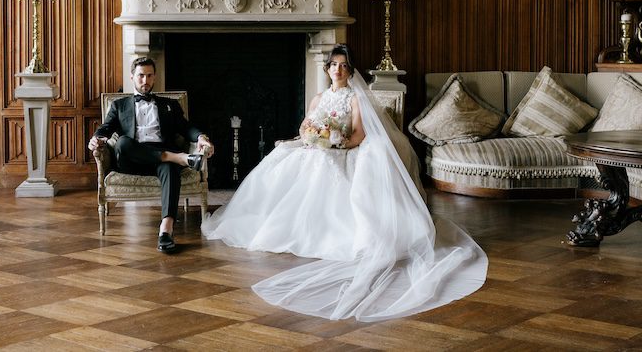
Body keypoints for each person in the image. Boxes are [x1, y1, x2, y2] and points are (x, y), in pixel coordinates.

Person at [201, 44, 488, 322]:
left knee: (322, 165)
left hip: (344, 150)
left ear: (350, 71)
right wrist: (313, 137)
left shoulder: (355, 99)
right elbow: (305, 127)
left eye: (344, 66)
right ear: (326, 68)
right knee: (284, 158)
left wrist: (334, 143)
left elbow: (359, 135)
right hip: (317, 147)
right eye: (334, 65)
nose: (338, 70)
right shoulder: (318, 98)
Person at [89, 56, 214, 253]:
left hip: (160, 159)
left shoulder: (169, 105)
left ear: (154, 77)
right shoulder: (119, 106)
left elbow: (185, 127)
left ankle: (166, 229)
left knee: (170, 167)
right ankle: (180, 158)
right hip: (132, 159)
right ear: (132, 77)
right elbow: (105, 129)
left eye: (149, 76)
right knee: (122, 142)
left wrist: (201, 137)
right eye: (141, 76)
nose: (145, 80)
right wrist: (96, 138)